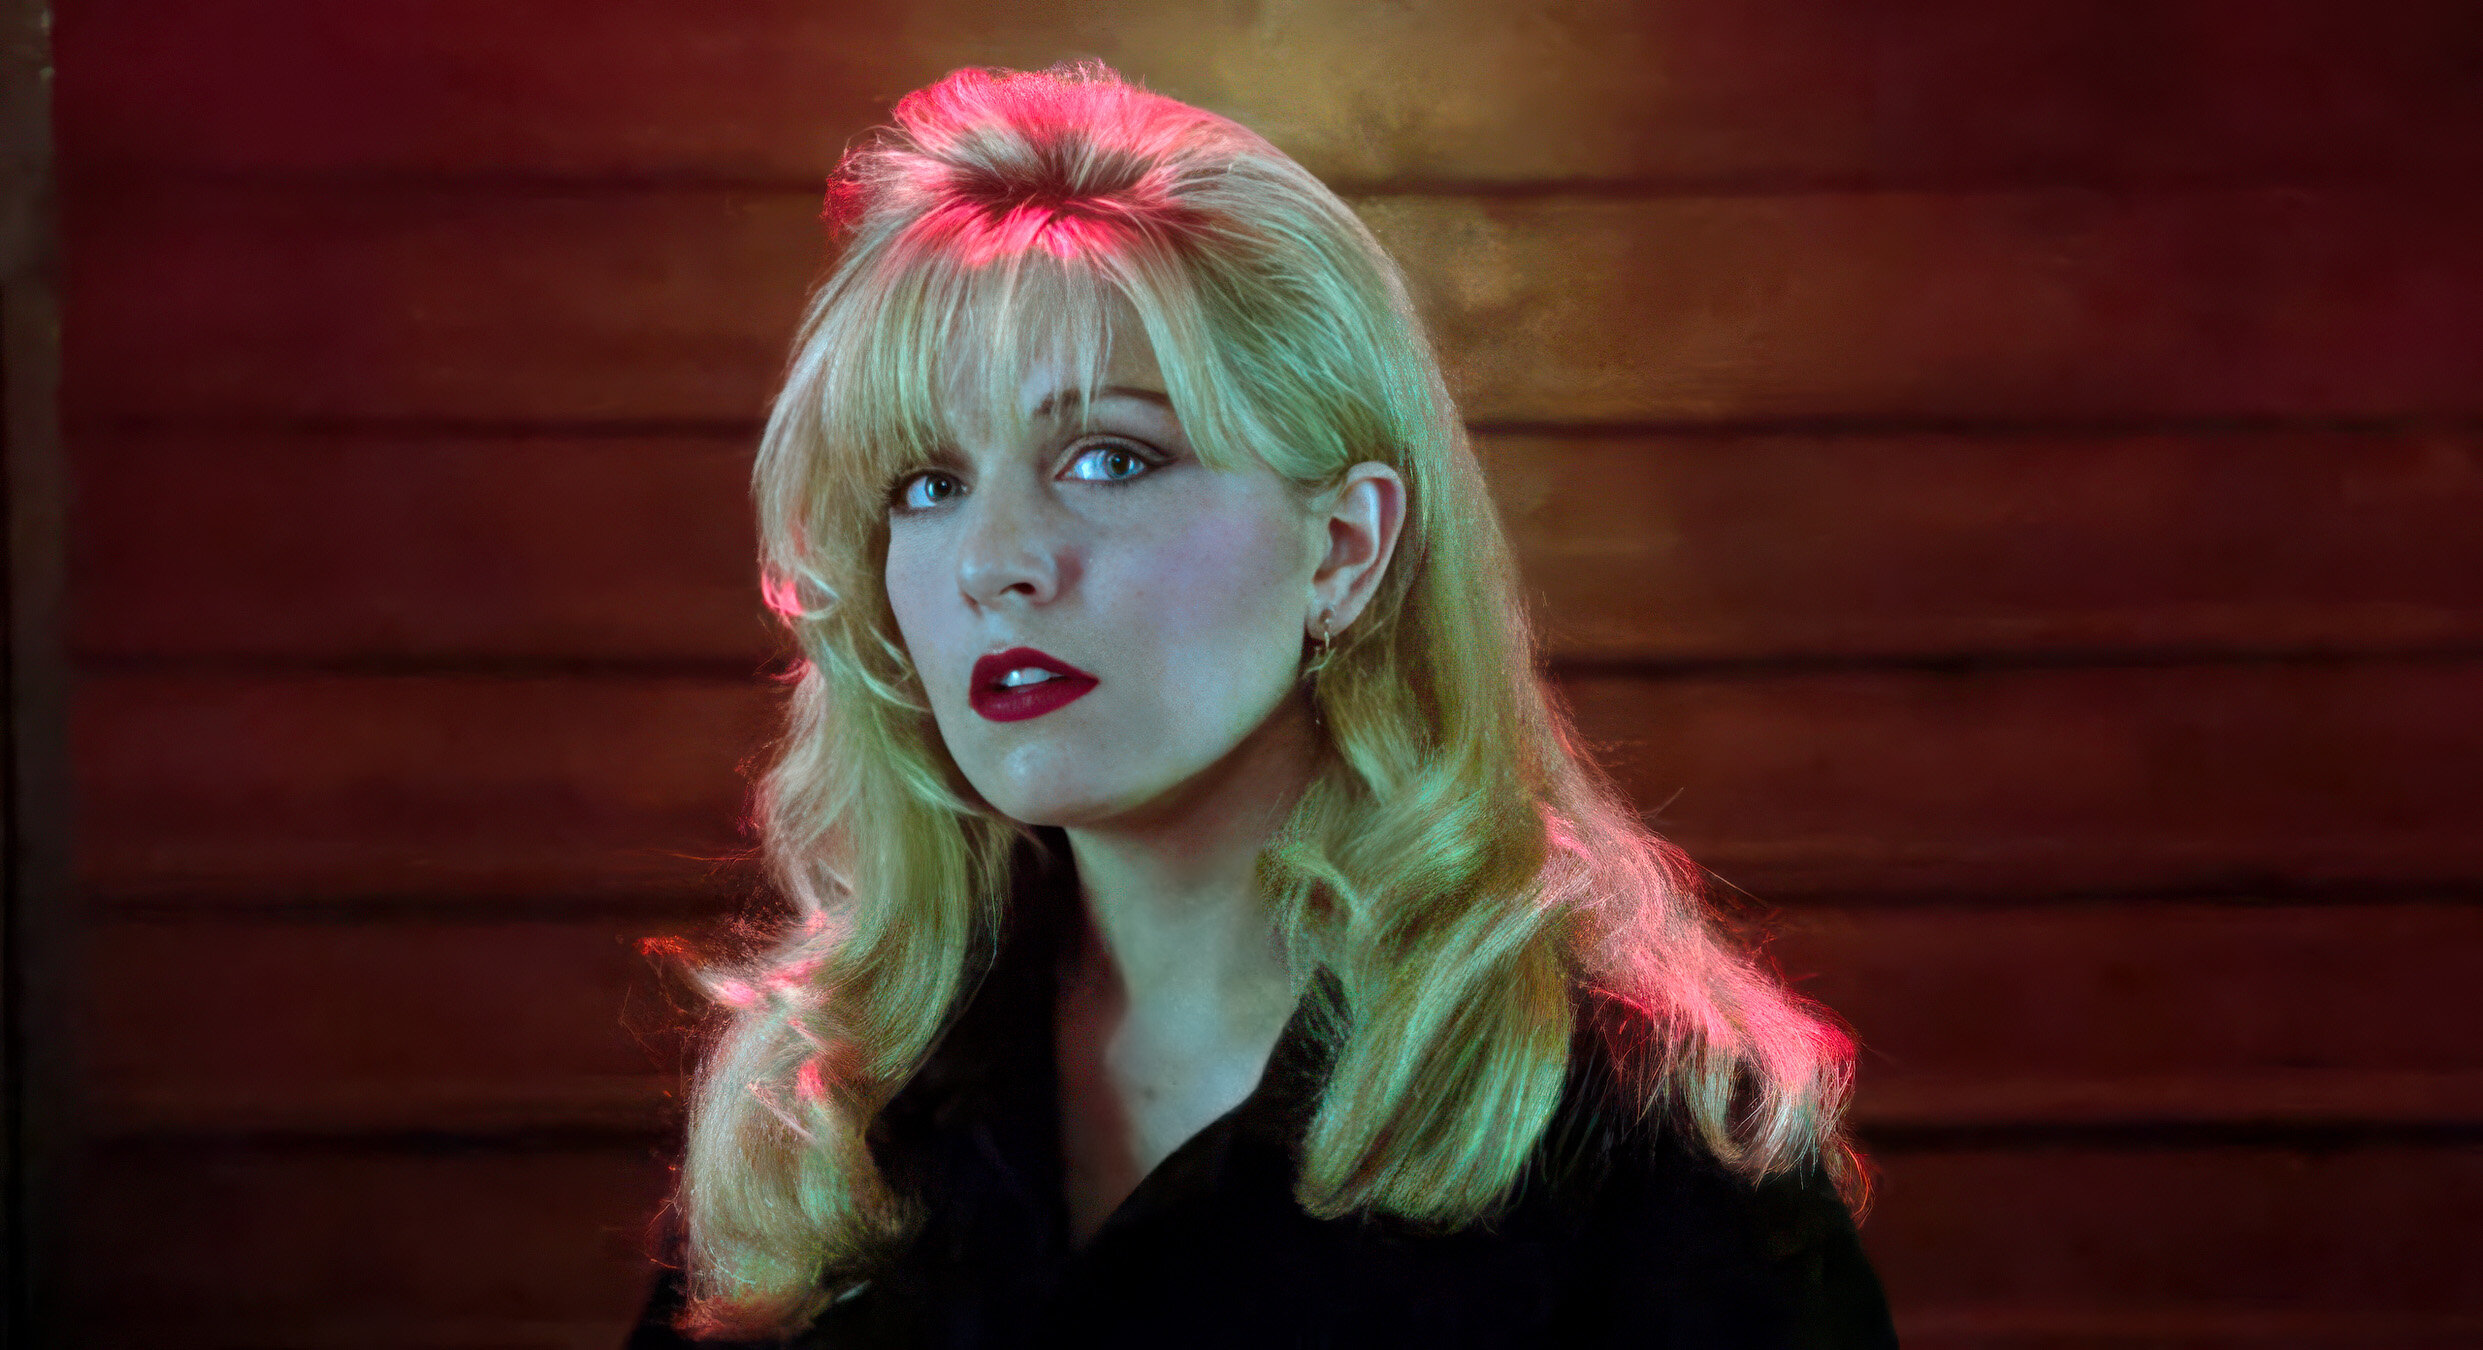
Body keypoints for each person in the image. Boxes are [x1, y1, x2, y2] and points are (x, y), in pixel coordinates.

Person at [627, 60, 1898, 1348]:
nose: (993, 562)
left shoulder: (1650, 1145)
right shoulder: (825, 1113)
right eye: (926, 484)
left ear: (1343, 547)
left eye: (1110, 458)